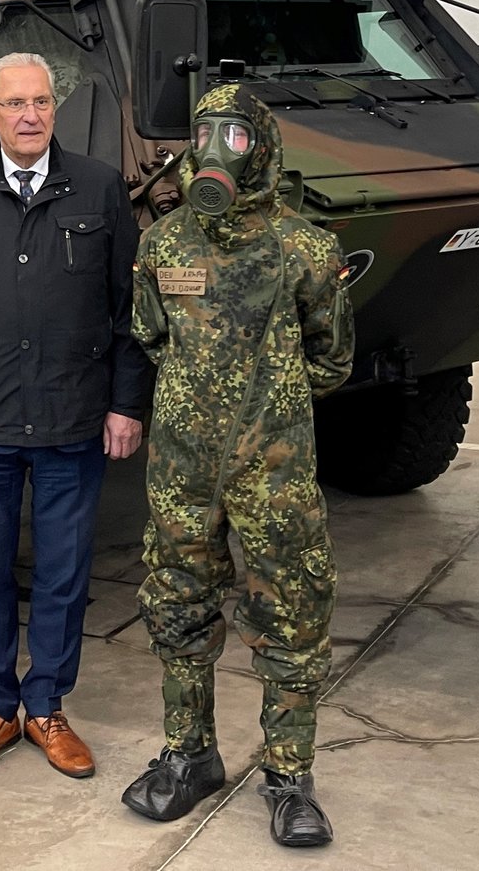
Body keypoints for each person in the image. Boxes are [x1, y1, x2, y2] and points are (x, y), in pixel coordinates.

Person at [118, 84, 354, 848]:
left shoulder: (305, 246)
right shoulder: (163, 242)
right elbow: (152, 338)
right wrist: (200, 407)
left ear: (264, 146)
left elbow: (333, 357)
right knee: (179, 608)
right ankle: (190, 755)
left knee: (290, 614)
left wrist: (267, 414)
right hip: (182, 473)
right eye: (207, 132)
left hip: (274, 476)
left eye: (237, 136)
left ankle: (290, 776)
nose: (219, 147)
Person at [0, 51, 150, 781]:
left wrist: (124, 401)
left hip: (71, 417)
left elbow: (129, 311)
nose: (28, 115)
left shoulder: (100, 190)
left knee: (63, 571)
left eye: (40, 102)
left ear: (55, 108)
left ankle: (46, 704)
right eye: (14, 103)